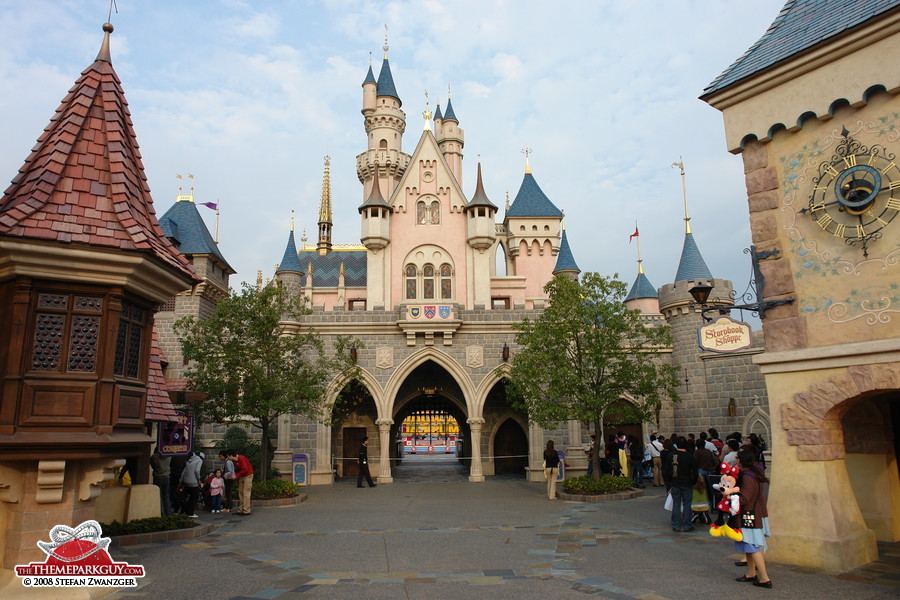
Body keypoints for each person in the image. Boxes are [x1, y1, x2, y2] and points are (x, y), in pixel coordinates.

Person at [733, 448, 772, 588]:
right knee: (748, 545)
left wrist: (730, 496)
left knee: (752, 546)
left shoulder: (747, 477)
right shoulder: (755, 474)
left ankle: (765, 578)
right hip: (754, 514)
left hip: (748, 515)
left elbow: (745, 498)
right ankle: (751, 573)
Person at [664, 436, 698, 532]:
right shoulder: (689, 456)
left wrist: (669, 481)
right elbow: (695, 471)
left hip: (675, 482)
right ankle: (687, 525)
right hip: (687, 483)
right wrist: (693, 481)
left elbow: (666, 470)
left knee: (676, 503)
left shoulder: (672, 455)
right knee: (687, 504)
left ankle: (676, 525)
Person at [227, 449, 254, 515]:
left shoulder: (241, 458)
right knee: (240, 492)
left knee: (246, 493)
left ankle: (246, 510)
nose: (228, 458)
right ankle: (241, 509)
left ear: (231, 455)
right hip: (241, 476)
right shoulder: (234, 461)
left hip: (248, 475)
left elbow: (245, 469)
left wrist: (236, 475)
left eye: (228, 456)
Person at [179, 451, 203, 518]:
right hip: (193, 482)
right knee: (194, 498)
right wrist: (199, 480)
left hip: (186, 481)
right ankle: (190, 513)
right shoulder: (199, 460)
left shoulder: (189, 461)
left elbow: (183, 472)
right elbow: (197, 471)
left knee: (188, 497)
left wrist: (180, 482)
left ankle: (185, 511)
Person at [149, 449, 172, 516]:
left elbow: (152, 464)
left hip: (158, 476)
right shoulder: (168, 456)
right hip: (166, 476)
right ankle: (167, 512)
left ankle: (160, 512)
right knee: (166, 495)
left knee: (158, 495)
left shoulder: (155, 457)